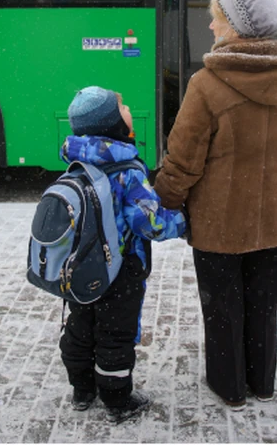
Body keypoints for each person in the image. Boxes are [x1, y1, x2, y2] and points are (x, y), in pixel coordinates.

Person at [153, 0, 277, 410]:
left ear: (237, 26)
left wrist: (162, 200)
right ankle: (261, 382)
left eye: (217, 17)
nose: (210, 26)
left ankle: (230, 388)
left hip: (219, 228)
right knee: (261, 308)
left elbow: (183, 161)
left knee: (223, 311)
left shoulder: (206, 84)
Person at [59, 86, 188, 424]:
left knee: (80, 325)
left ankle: (82, 389)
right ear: (112, 122)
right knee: (116, 332)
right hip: (121, 266)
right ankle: (117, 399)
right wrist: (182, 222)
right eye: (123, 106)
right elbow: (149, 223)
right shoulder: (126, 168)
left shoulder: (76, 160)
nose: (129, 108)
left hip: (82, 266)